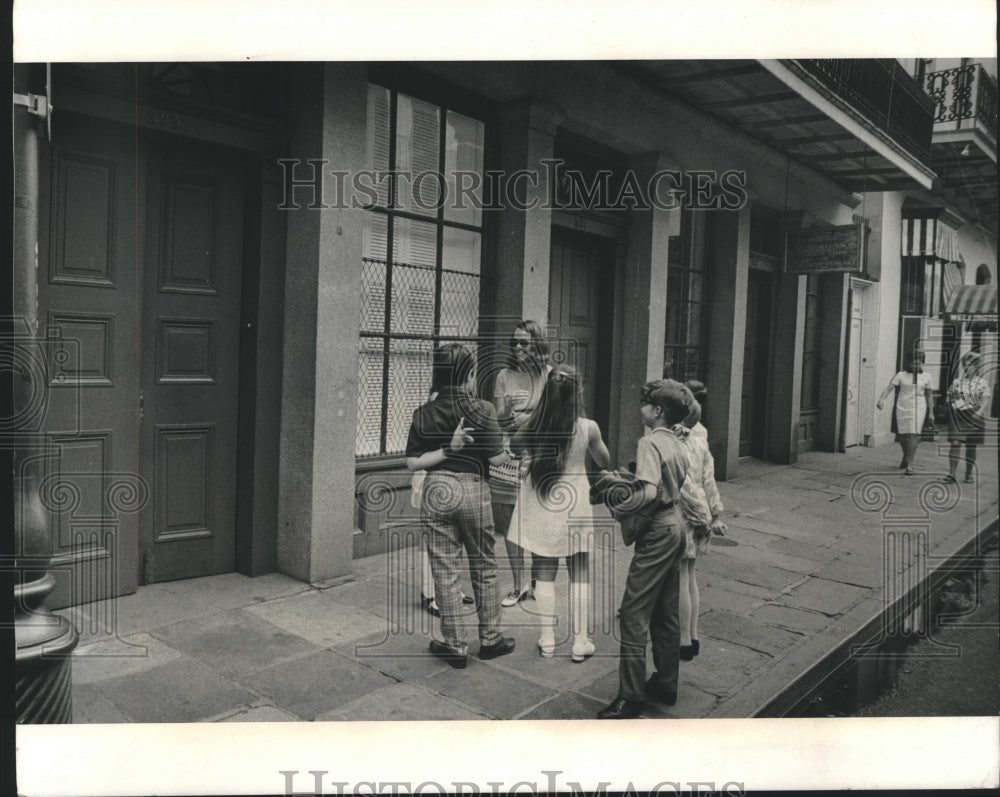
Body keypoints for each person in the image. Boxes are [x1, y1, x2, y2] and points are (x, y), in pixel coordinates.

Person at [405, 343, 515, 668]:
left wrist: (446, 452)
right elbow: (496, 458)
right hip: (474, 489)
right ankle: (492, 639)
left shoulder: (423, 413)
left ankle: (455, 646)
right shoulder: (483, 409)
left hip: (437, 487)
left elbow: (413, 463)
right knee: (484, 566)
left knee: (445, 570)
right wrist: (507, 449)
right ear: (469, 374)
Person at [597, 379, 695, 720]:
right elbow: (664, 484)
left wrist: (616, 504)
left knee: (634, 613)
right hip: (676, 525)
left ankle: (630, 696)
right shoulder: (679, 442)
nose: (640, 408)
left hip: (656, 530)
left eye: (645, 403)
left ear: (658, 411)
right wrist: (625, 479)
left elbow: (650, 494)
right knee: (666, 613)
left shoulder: (649, 443)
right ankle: (666, 683)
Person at [507, 365, 610, 661]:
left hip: (542, 501)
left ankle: (548, 639)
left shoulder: (534, 425)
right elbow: (604, 460)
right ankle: (580, 642)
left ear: (546, 393)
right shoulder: (588, 427)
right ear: (577, 392)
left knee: (545, 572)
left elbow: (514, 448)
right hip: (574, 503)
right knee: (579, 572)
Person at [493, 320, 551, 607]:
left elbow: (557, 419)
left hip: (539, 454)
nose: (517, 347)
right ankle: (518, 585)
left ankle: (539, 581)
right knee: (507, 521)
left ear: (537, 344)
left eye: (524, 342)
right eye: (514, 342)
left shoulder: (549, 376)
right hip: (508, 454)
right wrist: (510, 414)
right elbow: (498, 418)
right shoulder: (504, 375)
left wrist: (527, 419)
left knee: (538, 520)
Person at [680, 380, 727, 661]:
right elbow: (708, 478)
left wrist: (700, 517)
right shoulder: (700, 439)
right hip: (702, 509)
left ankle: (684, 640)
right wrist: (715, 512)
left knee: (680, 576)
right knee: (691, 574)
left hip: (687, 512)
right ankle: (693, 635)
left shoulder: (679, 442)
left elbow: (684, 485)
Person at [877, 350, 934, 476]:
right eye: (913, 363)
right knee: (902, 435)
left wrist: (931, 412)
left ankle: (910, 464)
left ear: (922, 363)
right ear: (909, 363)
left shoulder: (927, 377)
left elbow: (929, 395)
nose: (916, 366)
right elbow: (889, 388)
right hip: (902, 406)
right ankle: (906, 456)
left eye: (919, 363)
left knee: (913, 434)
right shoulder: (901, 375)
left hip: (919, 407)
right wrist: (881, 399)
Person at [945, 351, 990, 484]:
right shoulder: (957, 382)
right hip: (958, 415)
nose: (967, 367)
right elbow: (949, 396)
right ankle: (952, 474)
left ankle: (968, 473)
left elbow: (985, 399)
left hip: (974, 415)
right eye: (966, 364)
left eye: (970, 365)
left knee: (971, 446)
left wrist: (979, 412)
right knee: (955, 443)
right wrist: (952, 404)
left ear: (976, 367)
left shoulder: (982, 383)